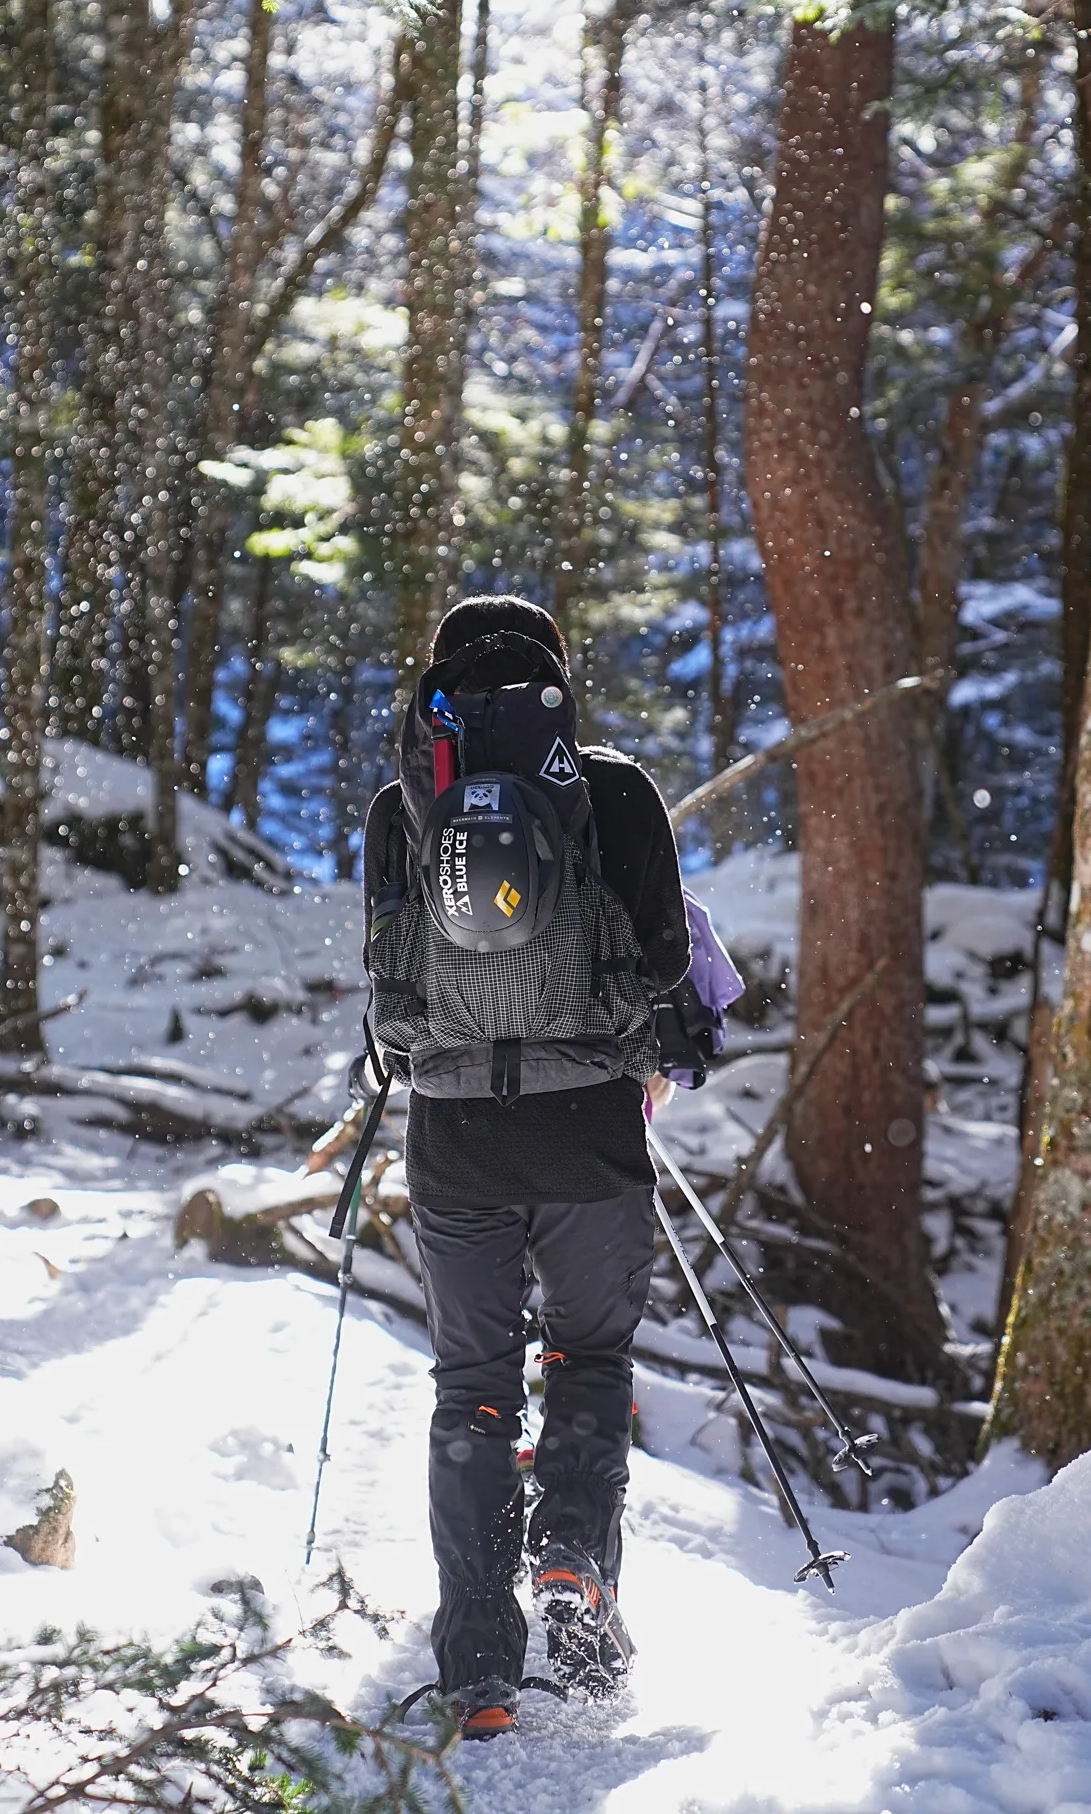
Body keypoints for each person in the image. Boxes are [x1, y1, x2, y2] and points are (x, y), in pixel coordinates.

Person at [357, 594, 689, 1740]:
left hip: (455, 1139)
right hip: (591, 1128)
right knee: (589, 1356)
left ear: (440, 684)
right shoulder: (617, 792)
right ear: (554, 677)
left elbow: (387, 990)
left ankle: (480, 1673)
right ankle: (574, 1571)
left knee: (474, 1389)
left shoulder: (402, 807)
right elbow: (660, 967)